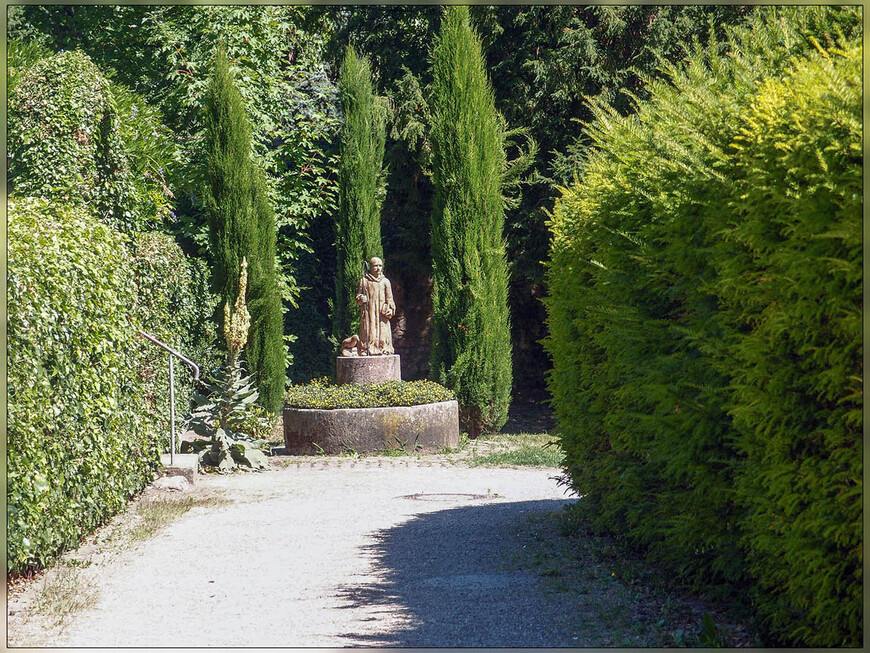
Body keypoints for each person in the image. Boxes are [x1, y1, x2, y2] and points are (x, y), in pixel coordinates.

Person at [356, 257, 395, 355]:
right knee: (368, 331)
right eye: (375, 266)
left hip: (382, 314)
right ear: (370, 267)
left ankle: (384, 348)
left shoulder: (385, 282)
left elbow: (390, 300)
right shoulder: (364, 281)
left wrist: (390, 310)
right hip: (370, 313)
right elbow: (358, 297)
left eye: (380, 266)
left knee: (383, 332)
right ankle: (366, 349)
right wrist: (361, 298)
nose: (378, 268)